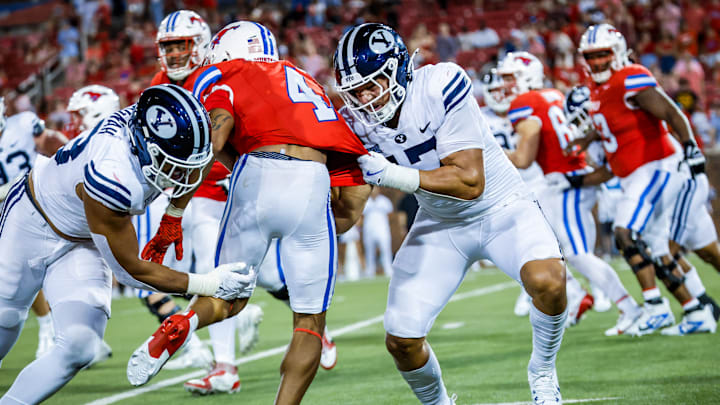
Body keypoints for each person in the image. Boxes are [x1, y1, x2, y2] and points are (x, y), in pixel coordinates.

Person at [126, 21, 369, 405]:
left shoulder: (221, 74)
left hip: (254, 175)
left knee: (226, 291)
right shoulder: (308, 81)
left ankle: (185, 322)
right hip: (312, 180)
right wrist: (336, 220)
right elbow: (355, 180)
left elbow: (211, 142)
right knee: (308, 325)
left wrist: (173, 214)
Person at [334, 23, 567, 404]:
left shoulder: (440, 83)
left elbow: (469, 180)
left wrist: (393, 174)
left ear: (398, 70)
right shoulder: (355, 121)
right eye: (355, 90)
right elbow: (350, 211)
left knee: (549, 281)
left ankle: (542, 371)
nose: (364, 98)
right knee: (401, 341)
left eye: (372, 84)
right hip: (440, 221)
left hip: (501, 206)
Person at [0, 84, 252, 403]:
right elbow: (132, 271)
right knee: (5, 319)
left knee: (81, 346)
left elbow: (197, 160)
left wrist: (173, 215)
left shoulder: (161, 127)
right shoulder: (112, 173)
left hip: (84, 235)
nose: (185, 174)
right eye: (175, 164)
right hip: (32, 222)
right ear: (148, 148)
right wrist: (209, 283)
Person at [142, 10, 262, 384]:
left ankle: (309, 329)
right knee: (206, 275)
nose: (176, 54)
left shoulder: (218, 75)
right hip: (182, 195)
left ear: (200, 44)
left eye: (182, 45)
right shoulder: (159, 82)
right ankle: (224, 362)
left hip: (222, 193)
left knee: (225, 275)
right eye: (169, 46)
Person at [577, 23, 716, 335]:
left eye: (602, 54)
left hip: (656, 167)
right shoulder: (595, 89)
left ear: (616, 53)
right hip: (633, 175)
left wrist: (691, 145)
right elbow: (612, 139)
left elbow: (670, 111)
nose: (597, 62)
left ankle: (656, 307)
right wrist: (584, 143)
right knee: (657, 248)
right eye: (591, 56)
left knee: (625, 234)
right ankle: (695, 312)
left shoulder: (629, 76)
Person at [498, 54, 645, 335]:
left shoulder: (524, 103)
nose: (505, 84)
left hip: (564, 183)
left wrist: (486, 153)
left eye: (509, 77)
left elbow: (524, 158)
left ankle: (629, 307)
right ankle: (579, 299)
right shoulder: (551, 94)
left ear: (526, 77)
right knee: (553, 249)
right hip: (571, 178)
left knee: (578, 255)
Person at [480, 71, 592, 323]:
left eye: (502, 90)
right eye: (494, 91)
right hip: (506, 188)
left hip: (537, 182)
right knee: (525, 245)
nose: (500, 96)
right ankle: (569, 291)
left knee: (552, 244)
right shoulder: (480, 117)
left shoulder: (525, 108)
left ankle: (582, 291)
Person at [361, 187, 394, 278]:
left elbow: (390, 215)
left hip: (382, 229)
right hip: (369, 230)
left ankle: (388, 269)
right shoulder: (366, 202)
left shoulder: (384, 201)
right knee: (369, 250)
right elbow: (361, 217)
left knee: (385, 249)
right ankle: (370, 271)